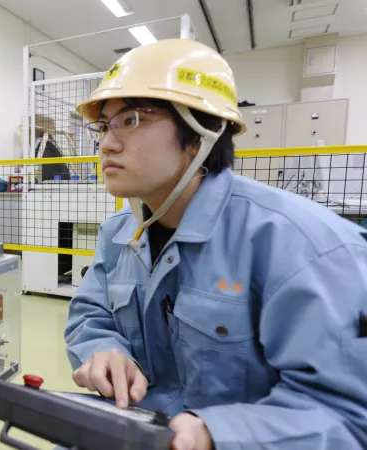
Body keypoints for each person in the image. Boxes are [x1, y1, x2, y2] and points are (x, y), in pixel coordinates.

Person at [64, 39, 367, 450]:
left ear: (202, 131)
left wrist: (213, 434)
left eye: (131, 120)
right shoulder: (119, 233)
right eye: (103, 126)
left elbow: (348, 417)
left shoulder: (304, 246)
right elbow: (90, 314)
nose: (106, 144)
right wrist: (103, 349)